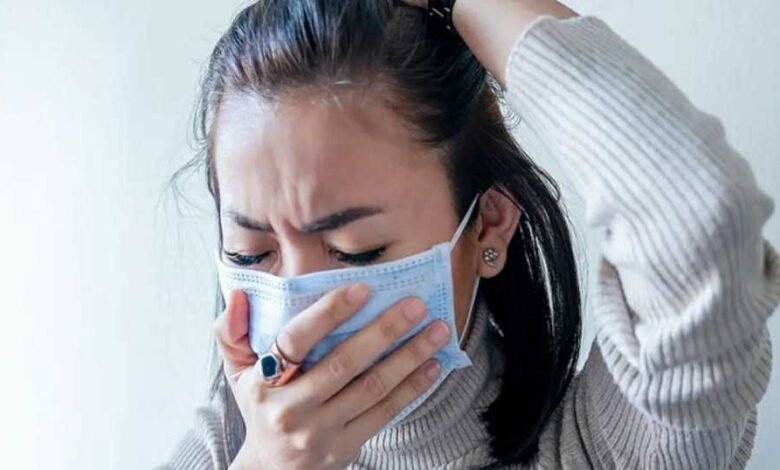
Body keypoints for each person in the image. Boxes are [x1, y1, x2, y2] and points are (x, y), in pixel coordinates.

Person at [158, 0, 780, 468]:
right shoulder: (224, 448)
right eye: (252, 253)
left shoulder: (606, 447)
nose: (300, 310)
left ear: (489, 226)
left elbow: (700, 215)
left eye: (356, 252)